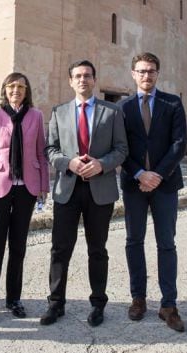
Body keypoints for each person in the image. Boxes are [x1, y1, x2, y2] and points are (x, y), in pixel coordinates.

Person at [41, 60, 128, 328]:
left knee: (97, 249)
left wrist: (101, 164)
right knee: (60, 249)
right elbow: (50, 150)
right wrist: (69, 163)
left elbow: (122, 148)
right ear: (70, 81)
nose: (83, 80)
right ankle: (56, 303)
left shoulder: (112, 112)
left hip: (99, 189)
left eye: (87, 76)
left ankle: (98, 303)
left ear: (94, 79)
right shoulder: (59, 112)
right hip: (67, 188)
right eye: (77, 76)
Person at [0, 73, 50, 325]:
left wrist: (44, 186)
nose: (16, 91)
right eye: (11, 86)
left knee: (18, 247)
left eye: (21, 87)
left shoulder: (36, 116)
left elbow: (41, 151)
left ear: (27, 91)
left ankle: (13, 299)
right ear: (4, 89)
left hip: (27, 188)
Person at [120, 52, 187, 332]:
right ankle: (138, 298)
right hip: (134, 184)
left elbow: (179, 143)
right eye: (142, 71)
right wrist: (139, 173)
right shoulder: (122, 108)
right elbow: (119, 146)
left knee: (166, 243)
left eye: (151, 71)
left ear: (158, 74)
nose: (147, 76)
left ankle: (168, 304)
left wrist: (157, 175)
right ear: (133, 74)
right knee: (134, 241)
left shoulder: (172, 103)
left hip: (165, 185)